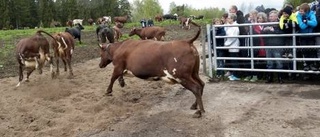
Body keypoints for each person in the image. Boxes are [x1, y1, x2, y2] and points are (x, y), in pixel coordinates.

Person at [262, 10, 285, 84]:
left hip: (277, 45)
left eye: (272, 16)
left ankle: (280, 78)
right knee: (269, 62)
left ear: (276, 16)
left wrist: (273, 30)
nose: (270, 18)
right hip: (268, 45)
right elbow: (261, 33)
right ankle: (269, 78)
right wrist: (265, 30)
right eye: (270, 16)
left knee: (279, 62)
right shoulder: (266, 24)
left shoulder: (280, 23)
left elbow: (282, 33)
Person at [296, 3, 318, 72]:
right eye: (300, 10)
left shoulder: (311, 13)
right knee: (304, 51)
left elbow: (315, 23)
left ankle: (312, 64)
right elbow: (301, 26)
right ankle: (306, 65)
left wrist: (306, 21)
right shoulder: (298, 15)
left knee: (312, 50)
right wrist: (308, 23)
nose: (300, 12)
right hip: (303, 36)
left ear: (306, 10)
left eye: (302, 11)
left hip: (310, 36)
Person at [224, 13, 240, 81]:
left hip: (233, 45)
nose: (228, 19)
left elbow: (233, 37)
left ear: (233, 19)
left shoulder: (235, 26)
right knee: (232, 60)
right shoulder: (230, 26)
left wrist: (226, 44)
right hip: (230, 45)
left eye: (229, 18)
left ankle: (236, 75)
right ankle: (233, 74)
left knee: (234, 61)